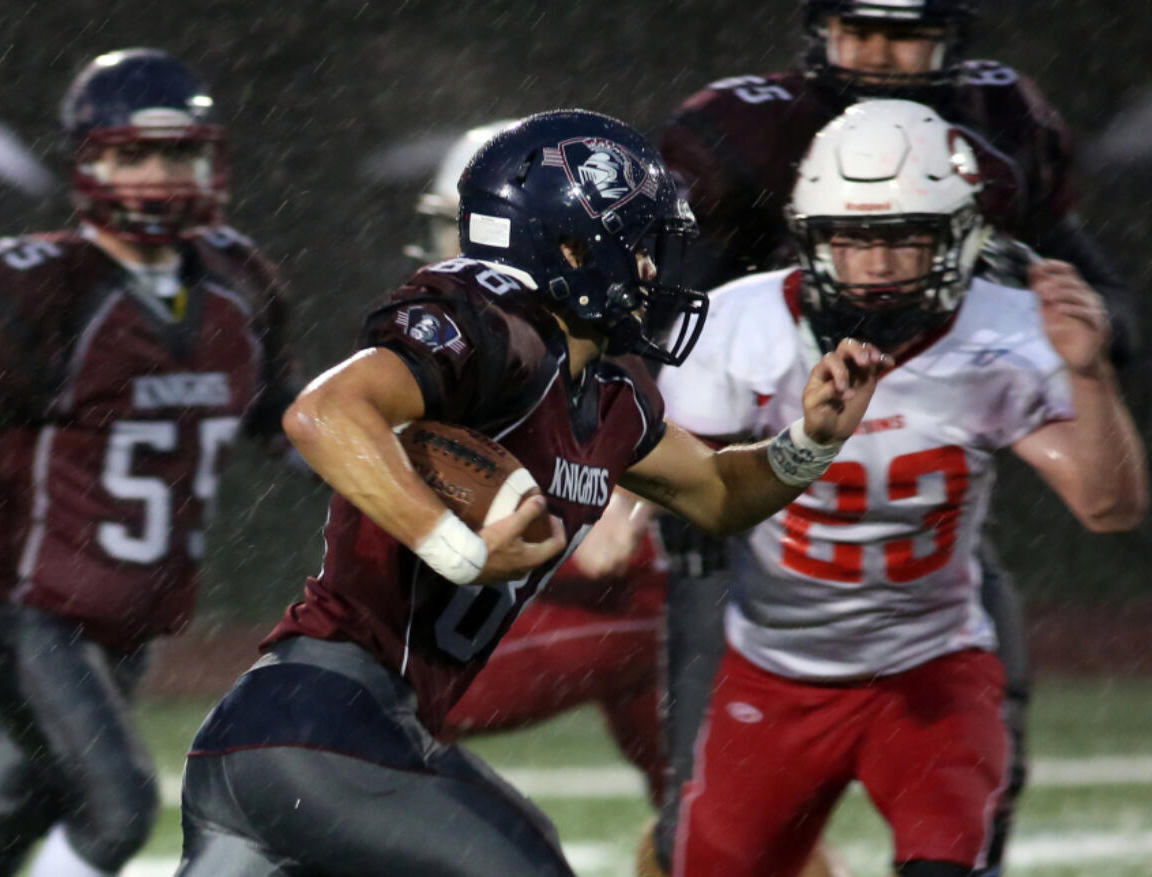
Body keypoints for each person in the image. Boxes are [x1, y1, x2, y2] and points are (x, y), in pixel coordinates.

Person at [174, 108, 889, 877]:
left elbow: (718, 493)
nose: (653, 271)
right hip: (318, 722)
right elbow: (322, 413)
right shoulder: (489, 320)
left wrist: (811, 439)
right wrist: (457, 545)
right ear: (575, 248)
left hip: (313, 740)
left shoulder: (614, 397)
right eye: (639, 246)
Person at [650, 3, 1139, 872]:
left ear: (962, 239)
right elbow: (679, 462)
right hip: (769, 651)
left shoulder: (1003, 324)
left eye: (905, 239)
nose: (875, 265)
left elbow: (1111, 505)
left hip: (932, 659)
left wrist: (1092, 368)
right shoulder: (735, 320)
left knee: (960, 840)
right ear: (806, 239)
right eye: (854, 237)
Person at [0, 48, 297, 877]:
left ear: (211, 158)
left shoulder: (238, 280)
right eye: (133, 154)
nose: (158, 176)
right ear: (88, 161)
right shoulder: (32, 287)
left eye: (176, 151)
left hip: (123, 622)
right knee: (117, 805)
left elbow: (283, 422)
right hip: (24, 612)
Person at [410, 120, 669, 804]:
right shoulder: (456, 344)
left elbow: (603, 549)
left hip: (628, 606)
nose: (457, 255)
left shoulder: (590, 354)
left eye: (474, 232)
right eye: (452, 231)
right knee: (703, 828)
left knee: (387, 700)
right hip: (588, 603)